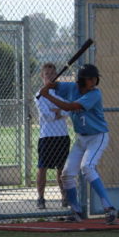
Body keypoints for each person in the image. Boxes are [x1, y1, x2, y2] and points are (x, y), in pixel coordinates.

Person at [38, 63, 117, 224]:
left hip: (97, 136)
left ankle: (109, 208)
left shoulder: (95, 94)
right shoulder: (71, 88)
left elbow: (70, 106)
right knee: (66, 174)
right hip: (81, 138)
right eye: (90, 79)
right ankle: (76, 211)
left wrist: (48, 95)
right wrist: (49, 85)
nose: (93, 81)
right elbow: (56, 85)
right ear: (82, 80)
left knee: (87, 166)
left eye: (95, 78)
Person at [33, 62, 71, 210]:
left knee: (61, 168)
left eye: (52, 74)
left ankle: (64, 197)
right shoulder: (40, 95)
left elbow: (68, 111)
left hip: (62, 135)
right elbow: (47, 116)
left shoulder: (62, 93)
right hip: (47, 137)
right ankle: (41, 198)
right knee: (42, 168)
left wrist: (59, 111)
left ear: (56, 75)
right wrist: (59, 110)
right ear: (42, 76)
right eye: (47, 74)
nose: (50, 76)